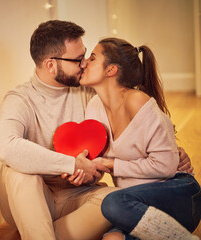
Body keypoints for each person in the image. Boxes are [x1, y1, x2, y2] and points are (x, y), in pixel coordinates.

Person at [0, 20, 193, 240]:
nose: (84, 63)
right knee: (18, 169)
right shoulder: (20, 100)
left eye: (86, 56)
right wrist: (72, 164)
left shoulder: (90, 95)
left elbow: (131, 119)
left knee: (119, 198)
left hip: (76, 198)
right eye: (78, 60)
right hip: (28, 199)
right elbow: (4, 146)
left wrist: (172, 153)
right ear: (51, 65)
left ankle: (43, 234)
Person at [81, 37, 201, 240]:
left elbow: (165, 166)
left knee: (111, 202)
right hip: (136, 205)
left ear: (111, 70)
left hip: (177, 195)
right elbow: (99, 164)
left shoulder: (137, 101)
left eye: (92, 58)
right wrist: (85, 171)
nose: (84, 62)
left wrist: (111, 164)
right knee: (111, 239)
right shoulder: (94, 106)